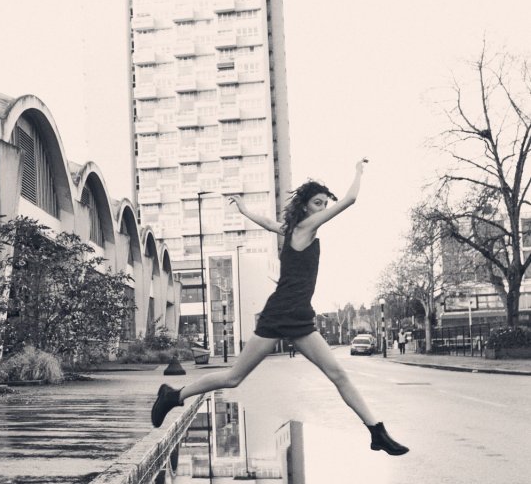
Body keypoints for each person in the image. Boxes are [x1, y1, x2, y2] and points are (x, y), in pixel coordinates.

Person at [151, 160, 409, 456]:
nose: (322, 208)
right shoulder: (305, 227)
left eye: (325, 203)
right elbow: (350, 200)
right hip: (279, 314)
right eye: (317, 203)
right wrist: (358, 171)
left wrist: (245, 211)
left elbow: (269, 224)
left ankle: (377, 431)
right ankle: (173, 396)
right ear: (305, 206)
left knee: (338, 373)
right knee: (234, 377)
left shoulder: (290, 230)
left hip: (299, 316)